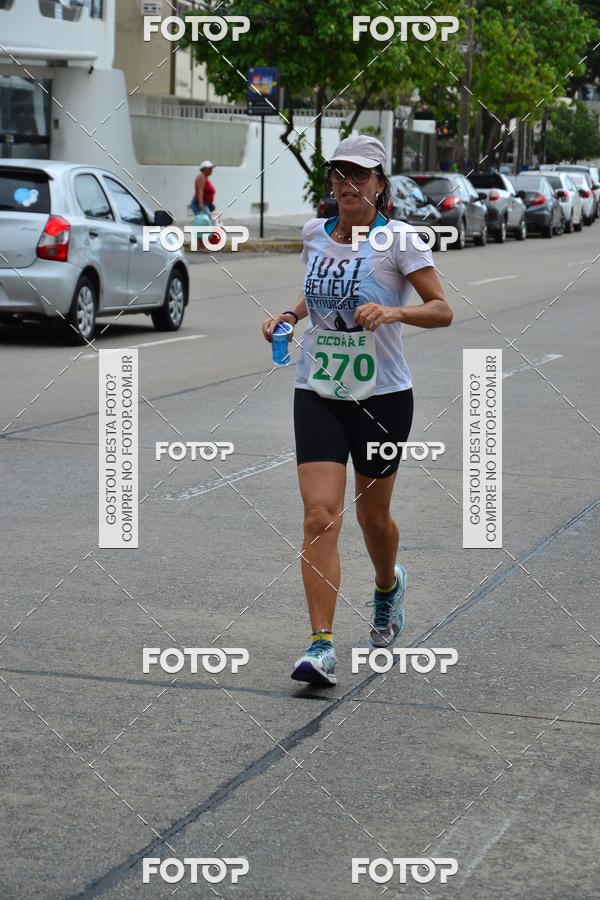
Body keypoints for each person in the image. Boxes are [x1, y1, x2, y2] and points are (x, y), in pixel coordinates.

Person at [261, 134, 453, 687]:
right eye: (340, 175)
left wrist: (394, 312)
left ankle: (388, 587)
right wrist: (290, 315)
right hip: (318, 391)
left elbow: (441, 310)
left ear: (379, 185)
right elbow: (315, 290)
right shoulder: (313, 235)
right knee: (320, 515)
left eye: (360, 176)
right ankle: (321, 646)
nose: (349, 185)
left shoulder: (399, 241)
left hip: (383, 399)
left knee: (373, 519)